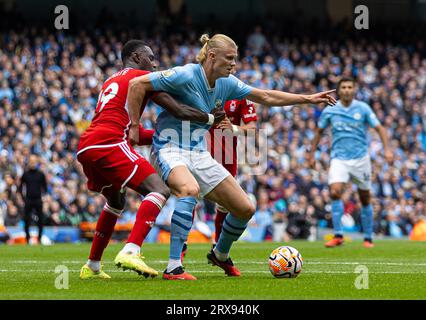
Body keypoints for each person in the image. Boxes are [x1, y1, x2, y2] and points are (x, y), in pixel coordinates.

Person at [126, 33, 336, 280]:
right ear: (212, 56)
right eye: (230, 59)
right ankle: (174, 266)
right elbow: (136, 85)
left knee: (245, 208)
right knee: (189, 190)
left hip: (199, 152)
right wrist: (135, 125)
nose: (234, 64)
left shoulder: (228, 83)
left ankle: (220, 254)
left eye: (235, 59)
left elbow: (265, 96)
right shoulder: (184, 74)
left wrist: (307, 99)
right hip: (169, 148)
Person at [76, 39, 225, 280]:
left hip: (88, 145)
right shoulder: (141, 80)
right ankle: (131, 250)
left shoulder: (110, 80)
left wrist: (165, 136)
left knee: (115, 202)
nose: (154, 64)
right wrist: (210, 119)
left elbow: (128, 132)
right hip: (109, 143)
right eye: (150, 58)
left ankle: (92, 265)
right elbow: (177, 109)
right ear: (136, 57)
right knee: (158, 189)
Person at [181, 70, 258, 261]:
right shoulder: (199, 85)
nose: (230, 66)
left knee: (225, 206)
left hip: (227, 155)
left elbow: (252, 129)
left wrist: (233, 127)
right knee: (190, 198)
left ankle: (218, 251)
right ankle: (180, 251)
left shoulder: (241, 93)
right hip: (199, 150)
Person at [307, 77, 392, 248]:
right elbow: (319, 131)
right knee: (335, 191)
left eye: (349, 87)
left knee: (365, 198)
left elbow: (380, 128)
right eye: (343, 87)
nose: (346, 90)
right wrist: (311, 155)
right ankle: (338, 235)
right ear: (339, 90)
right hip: (339, 158)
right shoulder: (331, 110)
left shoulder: (363, 108)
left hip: (361, 159)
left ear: (354, 90)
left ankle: (368, 237)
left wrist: (387, 149)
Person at [18, 155, 47, 244]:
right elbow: (20, 187)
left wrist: (44, 198)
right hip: (28, 200)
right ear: (29, 162)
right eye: (31, 161)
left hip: (38, 200)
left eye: (34, 161)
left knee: (40, 220)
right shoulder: (25, 174)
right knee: (26, 220)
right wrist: (23, 198)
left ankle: (39, 238)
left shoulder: (41, 174)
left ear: (37, 162)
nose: (32, 163)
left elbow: (45, 188)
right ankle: (27, 238)